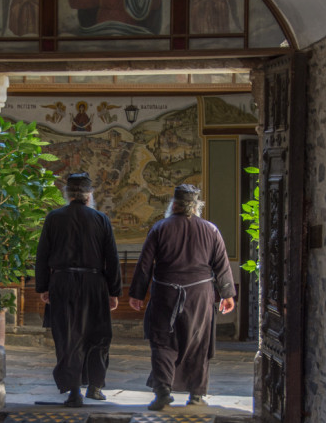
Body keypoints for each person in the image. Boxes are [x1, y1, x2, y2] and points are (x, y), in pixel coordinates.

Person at [128, 184, 236, 410]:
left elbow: (144, 265)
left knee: (162, 341)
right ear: (196, 207)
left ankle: (162, 392)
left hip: (166, 293)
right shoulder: (211, 230)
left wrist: (137, 294)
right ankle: (196, 394)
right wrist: (227, 294)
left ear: (173, 205)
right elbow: (222, 265)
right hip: (200, 295)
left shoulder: (159, 228)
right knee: (198, 342)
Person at [35, 172, 122, 407]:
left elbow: (42, 255)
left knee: (67, 336)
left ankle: (74, 391)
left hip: (62, 283)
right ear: (89, 195)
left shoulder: (54, 218)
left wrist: (43, 287)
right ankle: (95, 387)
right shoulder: (100, 219)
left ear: (67, 194)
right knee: (98, 335)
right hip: (94, 284)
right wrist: (114, 291)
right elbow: (111, 258)